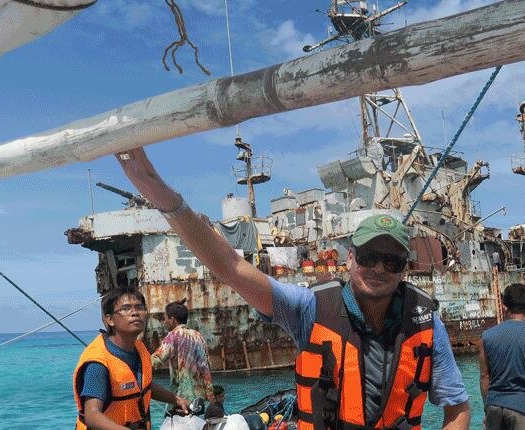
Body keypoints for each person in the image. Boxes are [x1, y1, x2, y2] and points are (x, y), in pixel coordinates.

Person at [116, 148, 471, 429]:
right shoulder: (311, 308)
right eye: (369, 257)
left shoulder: (424, 321)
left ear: (405, 269)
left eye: (392, 262)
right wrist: (158, 192)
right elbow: (230, 266)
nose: (379, 268)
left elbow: (457, 407)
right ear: (349, 258)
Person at [73, 287, 190, 430]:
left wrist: (175, 399)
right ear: (110, 319)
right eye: (126, 308)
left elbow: (144, 386)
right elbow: (92, 415)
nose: (135, 313)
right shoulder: (98, 362)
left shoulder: (140, 349)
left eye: (139, 307)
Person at [478, 283, 525, 430]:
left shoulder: (485, 338)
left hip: (493, 407)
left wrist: (487, 407)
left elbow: (484, 377)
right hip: (523, 409)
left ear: (504, 306)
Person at [151, 300, 215, 412]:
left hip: (182, 401)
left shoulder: (173, 336)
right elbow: (207, 365)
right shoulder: (198, 336)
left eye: (165, 318)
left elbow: (156, 360)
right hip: (200, 401)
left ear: (173, 320)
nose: (164, 321)